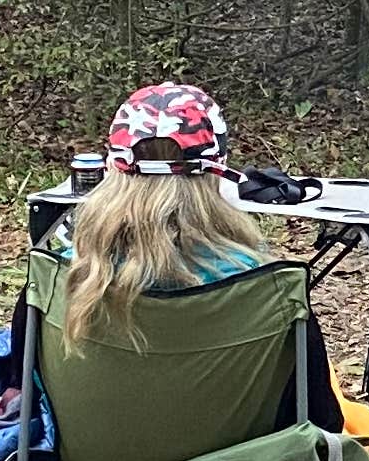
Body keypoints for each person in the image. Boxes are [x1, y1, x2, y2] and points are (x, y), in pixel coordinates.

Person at [62, 81, 265, 349]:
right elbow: (304, 385)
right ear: (220, 168)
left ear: (112, 168)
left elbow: (26, 375)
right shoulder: (258, 282)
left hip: (86, 393)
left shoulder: (64, 273)